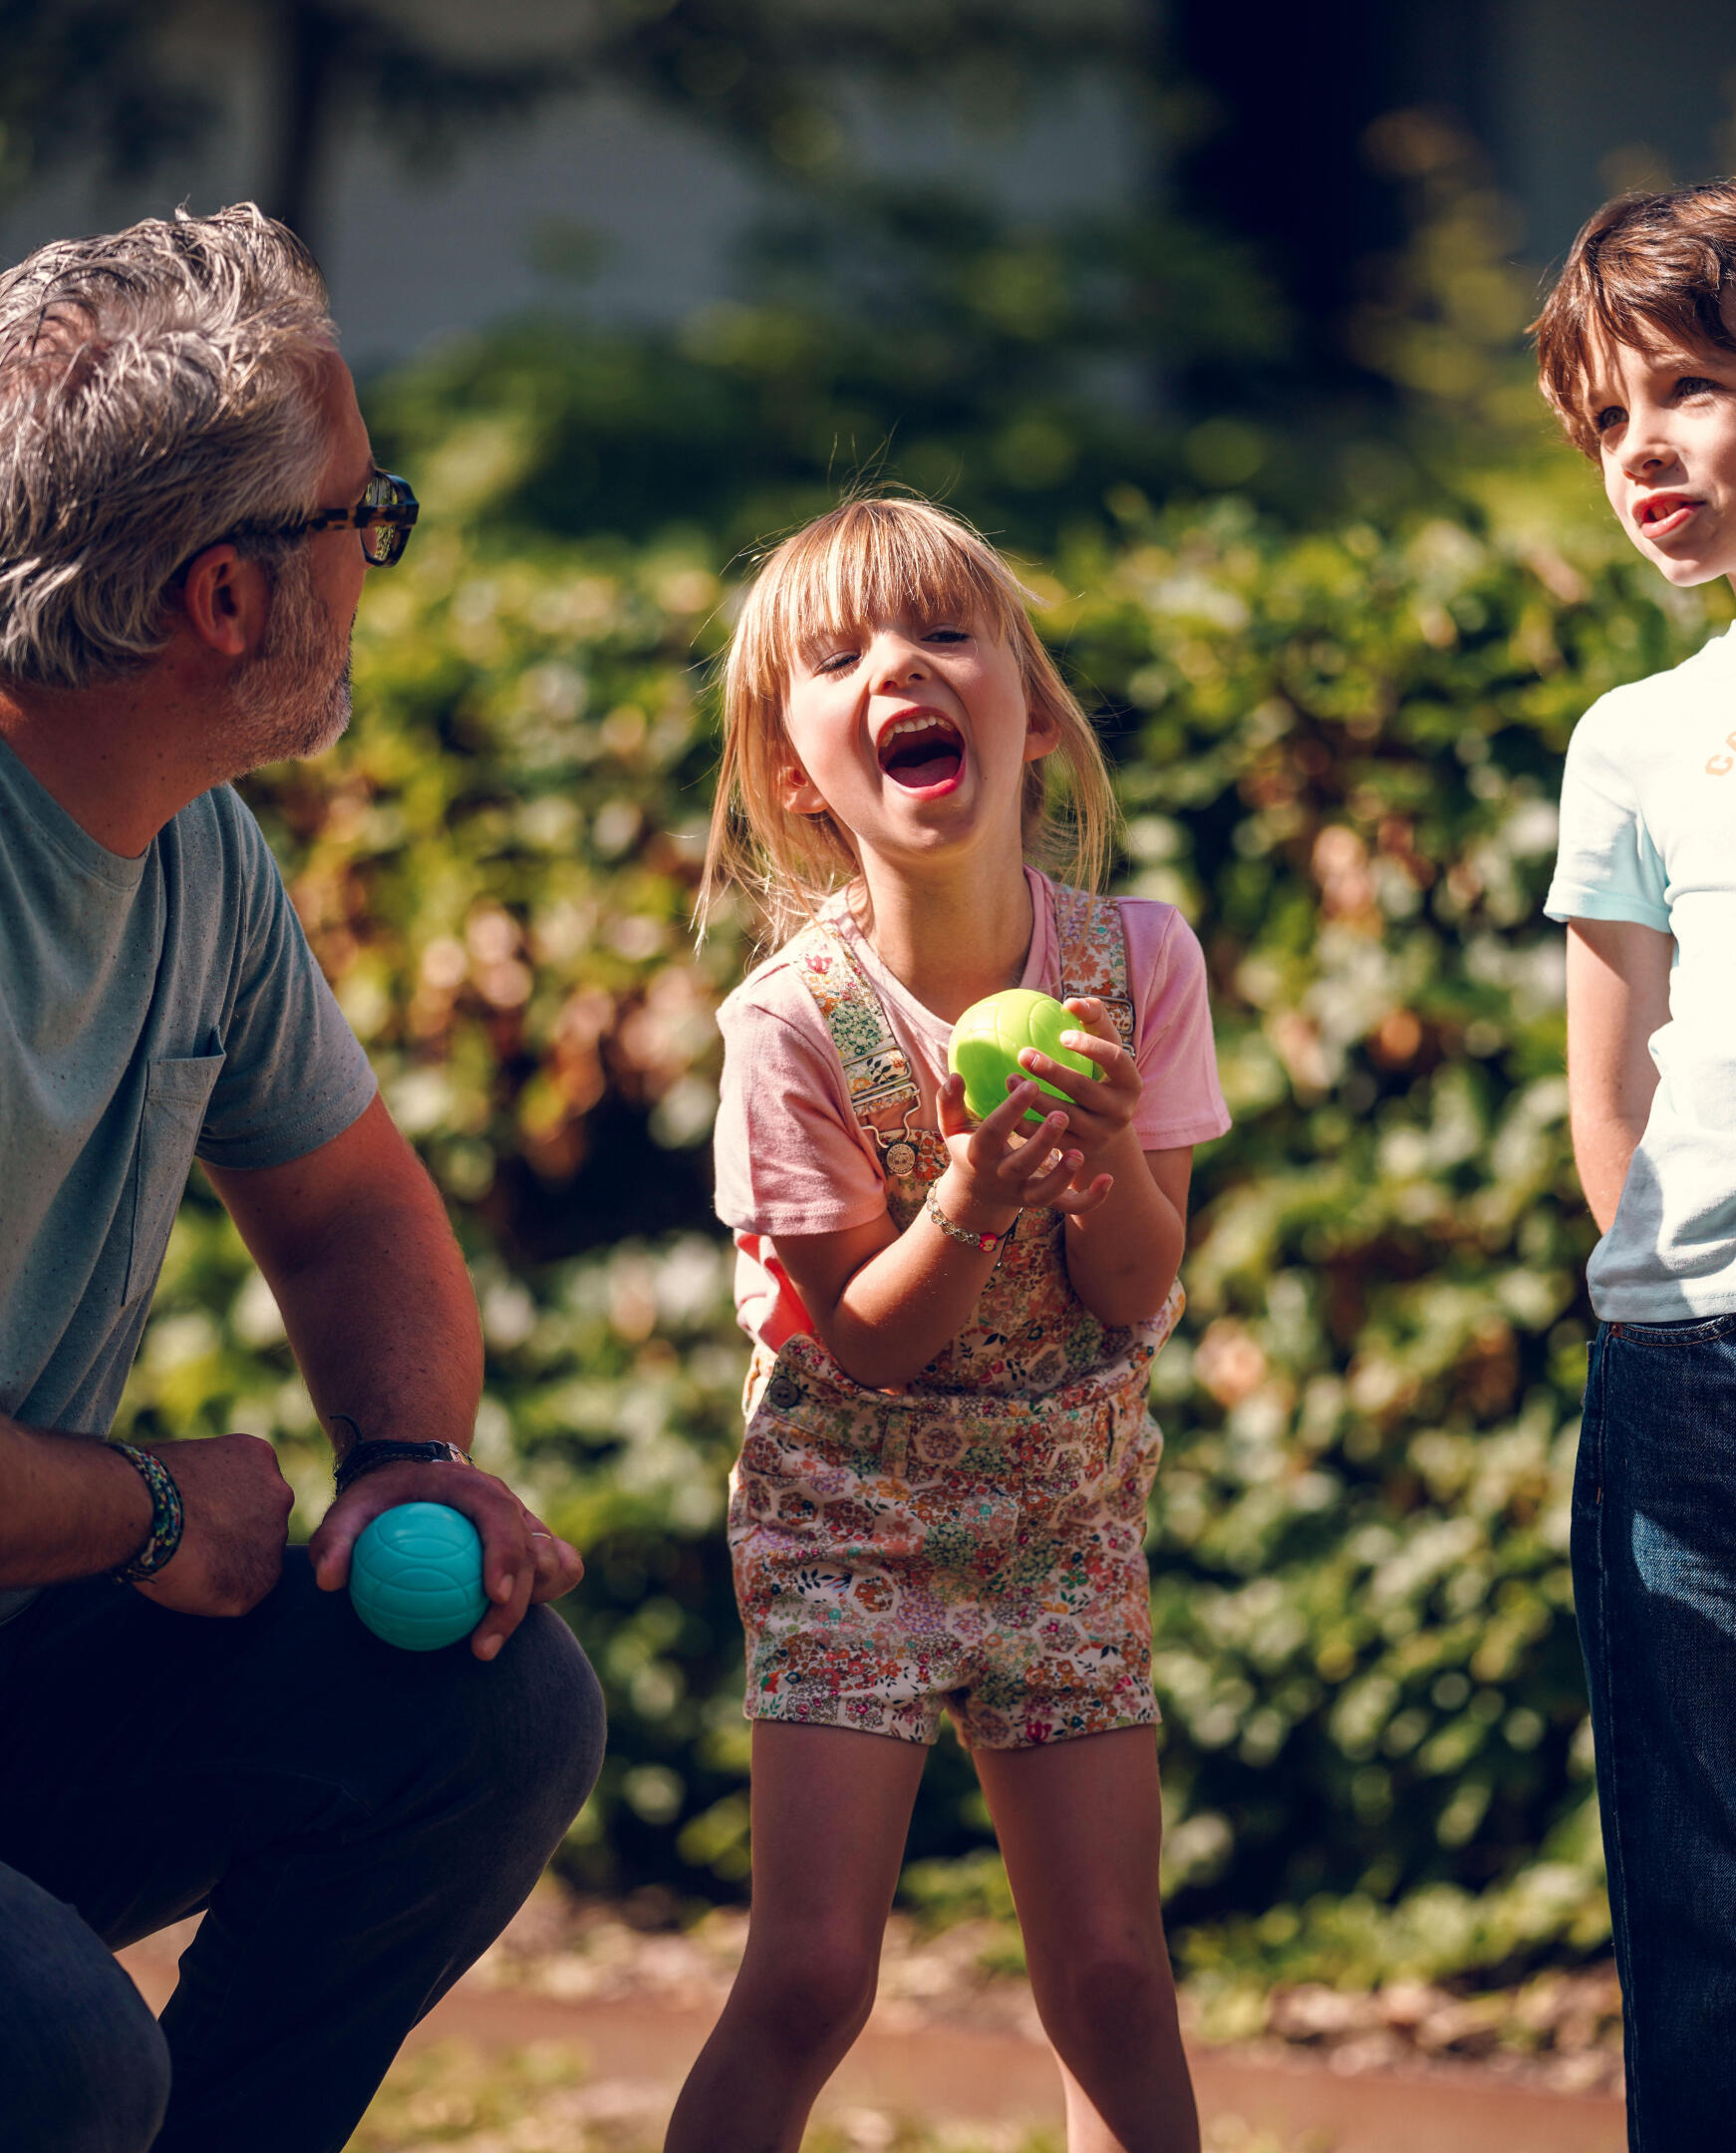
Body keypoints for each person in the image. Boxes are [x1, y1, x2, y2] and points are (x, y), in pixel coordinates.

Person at [0, 205, 605, 2153]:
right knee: (57, 2048)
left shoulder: (189, 855)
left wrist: (404, 1465)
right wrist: (154, 1508)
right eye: (365, 515)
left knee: (485, 1711)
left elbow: (347, 1209)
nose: (380, 555)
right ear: (226, 600)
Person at [666, 496, 1230, 2153]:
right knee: (813, 1974)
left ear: (1032, 714)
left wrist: (1103, 1161)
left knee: (1117, 1977)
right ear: (794, 775)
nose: (896, 667)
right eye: (837, 659)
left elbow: (1141, 1289)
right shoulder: (786, 1026)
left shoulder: (1140, 963)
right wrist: (974, 1197)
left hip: (1065, 1512)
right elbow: (868, 1337)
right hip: (852, 1518)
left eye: (941, 635)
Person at [1536, 179, 1736, 2153]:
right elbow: (1607, 1094)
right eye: (1607, 415)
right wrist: (1665, 1303)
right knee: (1712, 1914)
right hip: (1694, 1378)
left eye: (1688, 389)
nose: (1639, 451)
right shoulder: (1635, 739)